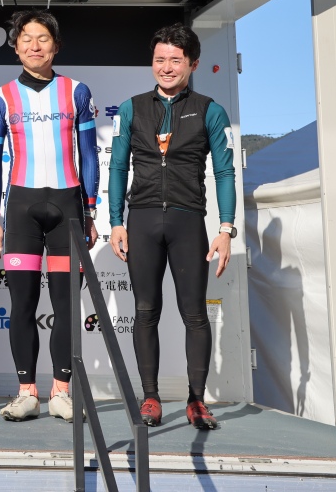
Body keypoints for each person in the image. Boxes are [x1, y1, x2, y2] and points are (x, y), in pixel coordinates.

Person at [107, 23, 236, 431]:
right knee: (145, 310)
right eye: (159, 59)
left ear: (192, 64)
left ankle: (197, 400)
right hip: (142, 218)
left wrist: (226, 229)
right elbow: (117, 167)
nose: (166, 67)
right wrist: (115, 221)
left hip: (187, 220)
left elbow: (225, 172)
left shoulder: (210, 109)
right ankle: (150, 397)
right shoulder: (130, 108)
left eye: (175, 60)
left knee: (194, 313)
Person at [0, 10, 99, 423]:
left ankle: (62, 392)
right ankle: (26, 392)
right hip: (21, 211)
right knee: (23, 305)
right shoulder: (1, 97)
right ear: (15, 47)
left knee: (66, 305)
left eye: (43, 38)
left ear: (56, 45)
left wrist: (90, 210)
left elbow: (89, 155)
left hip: (68, 209)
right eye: (26, 38)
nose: (35, 45)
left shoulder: (77, 91)